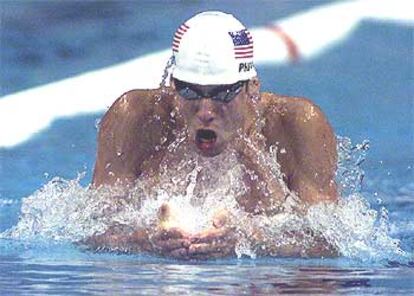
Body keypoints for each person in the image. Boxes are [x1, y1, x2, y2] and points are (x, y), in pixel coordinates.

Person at [86, 11, 338, 259]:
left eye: (222, 93)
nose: (205, 111)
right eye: (190, 92)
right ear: (172, 84)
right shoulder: (134, 117)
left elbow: (331, 242)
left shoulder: (297, 124)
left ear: (252, 85)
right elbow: (90, 229)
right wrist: (139, 240)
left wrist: (253, 239)